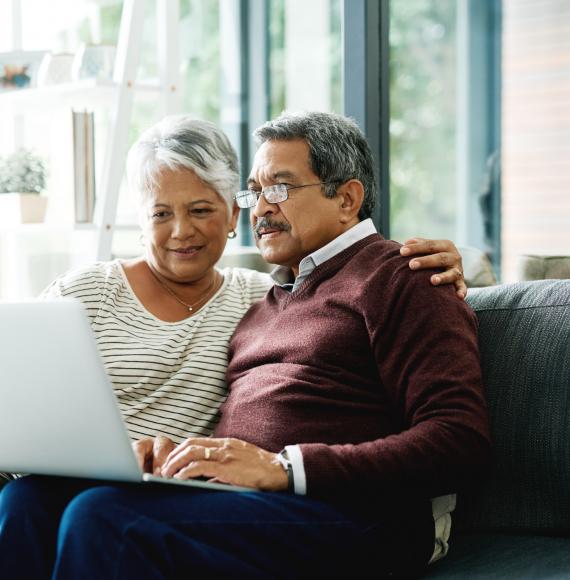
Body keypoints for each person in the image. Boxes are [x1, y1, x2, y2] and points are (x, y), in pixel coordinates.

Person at [0, 112, 483, 578]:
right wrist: (183, 459)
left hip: (354, 511)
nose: (263, 208)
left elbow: (460, 441)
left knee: (106, 516)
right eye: (255, 193)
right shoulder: (265, 300)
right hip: (242, 501)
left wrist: (283, 468)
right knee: (29, 502)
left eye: (281, 188)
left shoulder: (407, 276)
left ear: (347, 199)